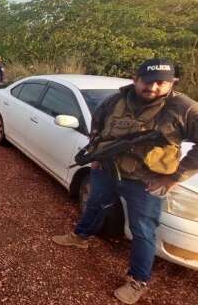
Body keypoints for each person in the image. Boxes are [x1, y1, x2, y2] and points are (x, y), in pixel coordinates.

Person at [51, 58, 198, 304]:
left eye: (162, 83)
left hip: (146, 181)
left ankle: (138, 280)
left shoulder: (184, 108)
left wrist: (174, 176)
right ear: (136, 79)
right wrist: (96, 154)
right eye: (147, 82)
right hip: (107, 169)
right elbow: (98, 124)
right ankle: (81, 237)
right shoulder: (116, 99)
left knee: (143, 230)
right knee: (95, 204)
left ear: (172, 83)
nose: (153, 87)